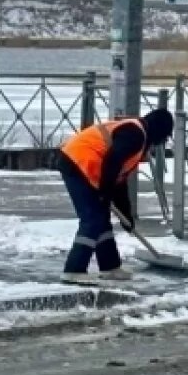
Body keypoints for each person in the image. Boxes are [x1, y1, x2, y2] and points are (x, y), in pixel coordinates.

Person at [57, 109, 174, 284]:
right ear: (159, 131)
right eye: (164, 137)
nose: (162, 142)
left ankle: (110, 267)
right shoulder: (135, 135)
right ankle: (74, 269)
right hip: (77, 162)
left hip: (84, 163)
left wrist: (126, 214)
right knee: (93, 218)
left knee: (101, 217)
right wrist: (105, 191)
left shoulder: (138, 137)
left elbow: (119, 180)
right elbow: (112, 161)